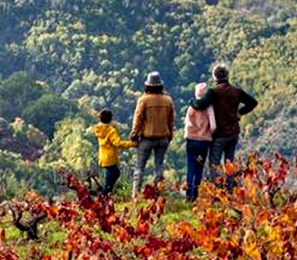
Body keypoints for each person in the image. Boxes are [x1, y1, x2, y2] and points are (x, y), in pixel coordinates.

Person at [191, 63, 257, 181]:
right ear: (227, 75)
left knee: (214, 163)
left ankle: (217, 190)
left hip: (220, 134)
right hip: (233, 133)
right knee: (229, 162)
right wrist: (240, 112)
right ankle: (230, 190)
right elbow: (253, 102)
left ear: (215, 77)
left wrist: (192, 101)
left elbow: (200, 105)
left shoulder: (213, 92)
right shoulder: (237, 91)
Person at [129, 71, 174, 199]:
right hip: (163, 137)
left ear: (147, 86)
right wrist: (169, 135)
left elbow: (138, 118)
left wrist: (134, 134)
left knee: (139, 167)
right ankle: (157, 194)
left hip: (146, 138)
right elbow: (171, 120)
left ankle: (135, 195)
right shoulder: (168, 100)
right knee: (159, 167)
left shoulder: (143, 100)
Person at [183, 82, 216, 201]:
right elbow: (213, 126)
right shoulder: (209, 107)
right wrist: (209, 134)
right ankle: (195, 194)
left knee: (190, 167)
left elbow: (186, 122)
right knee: (199, 168)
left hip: (191, 140)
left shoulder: (191, 107)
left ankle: (188, 194)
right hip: (203, 141)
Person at [91, 109, 136, 195]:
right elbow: (117, 143)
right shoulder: (111, 131)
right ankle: (104, 193)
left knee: (113, 173)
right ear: (111, 119)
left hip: (103, 156)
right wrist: (132, 144)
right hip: (110, 157)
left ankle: (106, 191)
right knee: (114, 173)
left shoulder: (99, 129)